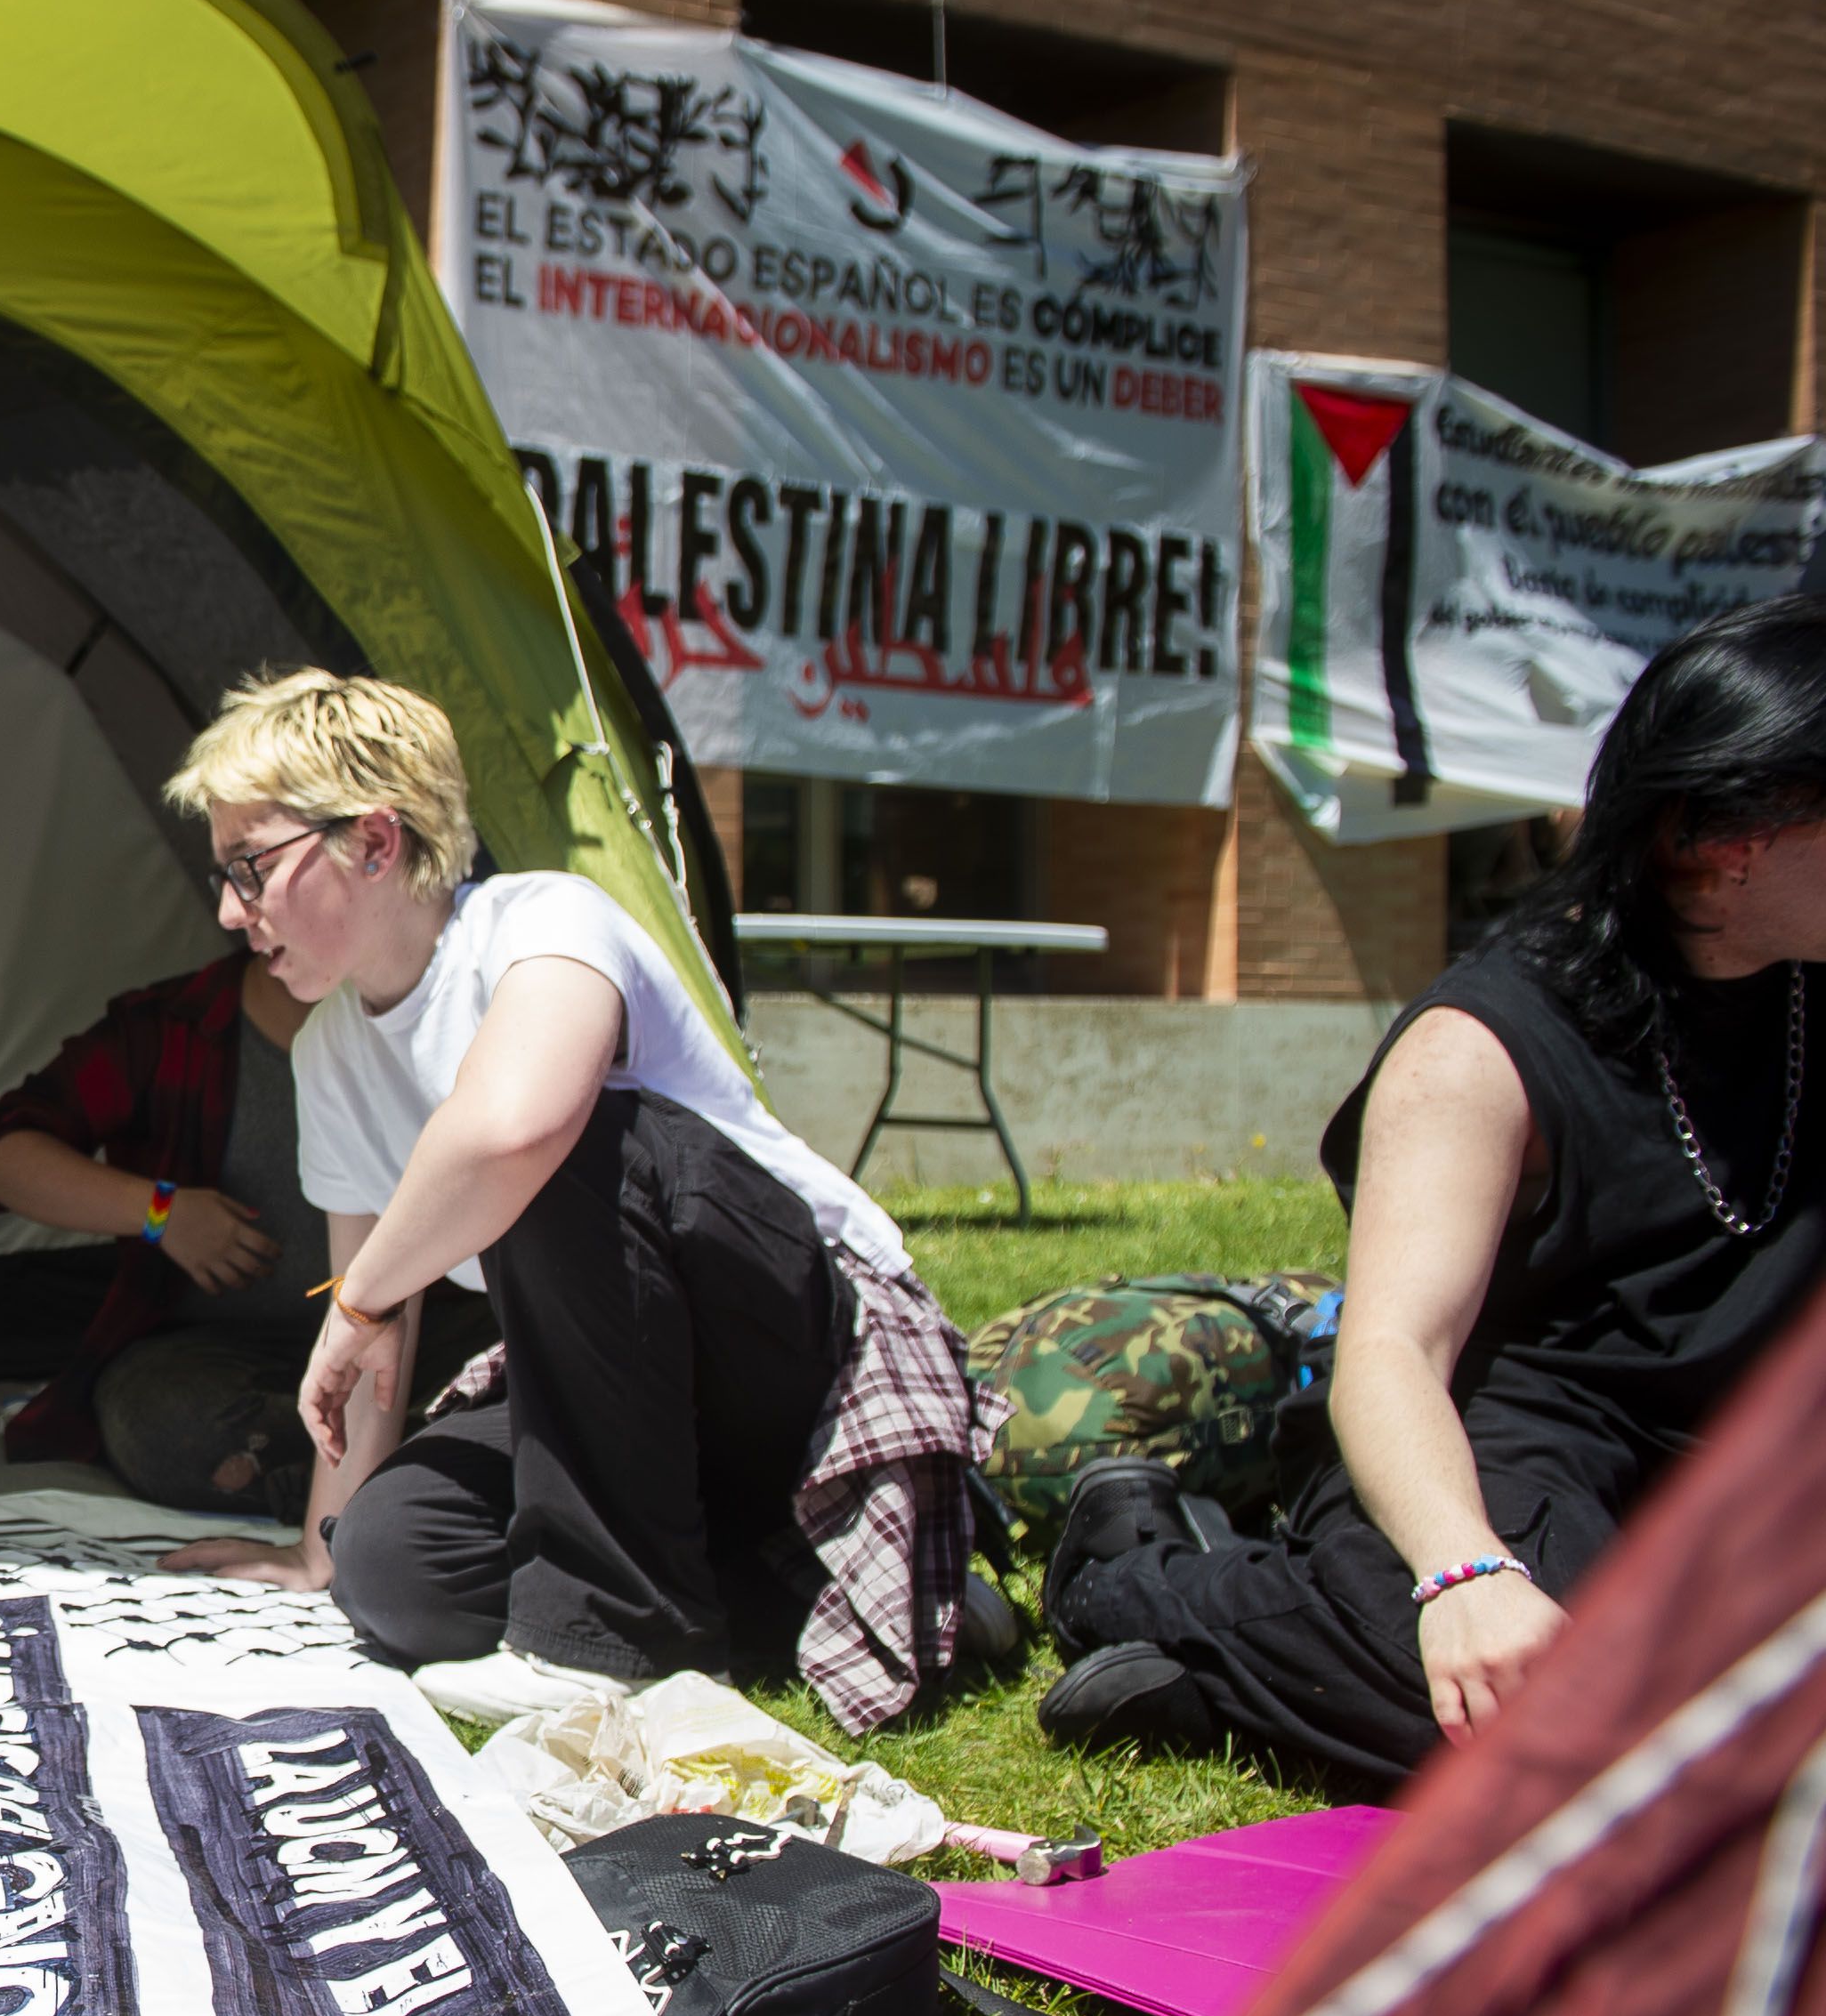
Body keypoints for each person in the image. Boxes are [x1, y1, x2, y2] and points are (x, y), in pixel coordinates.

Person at [1044, 595, 1826, 1781]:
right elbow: (1396, 1350)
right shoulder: (1481, 1047)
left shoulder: (1803, 988)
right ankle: (1138, 1573)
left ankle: (1239, 1691)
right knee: (1555, 1704)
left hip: (1734, 1468)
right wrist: (1466, 1573)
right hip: (1509, 1456)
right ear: (1723, 841)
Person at [160, 671, 990, 1732]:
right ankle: (806, 1585)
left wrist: (357, 1301)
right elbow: (383, 1325)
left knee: (566, 1144)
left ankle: (618, 1643)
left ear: (372, 842)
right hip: (619, 1400)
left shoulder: (543, 920)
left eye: (250, 866)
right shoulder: (329, 1049)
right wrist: (316, 1552)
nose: (229, 910)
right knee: (393, 1563)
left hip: (790, 1344)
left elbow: (511, 1130)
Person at [0, 944, 480, 1517]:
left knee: (522, 1372)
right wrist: (159, 1212)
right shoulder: (172, 1028)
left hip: (415, 1336)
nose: (241, 910)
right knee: (162, 1422)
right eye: (239, 881)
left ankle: (369, 1468)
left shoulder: (441, 1015)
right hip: (218, 1349)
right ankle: (410, 1468)